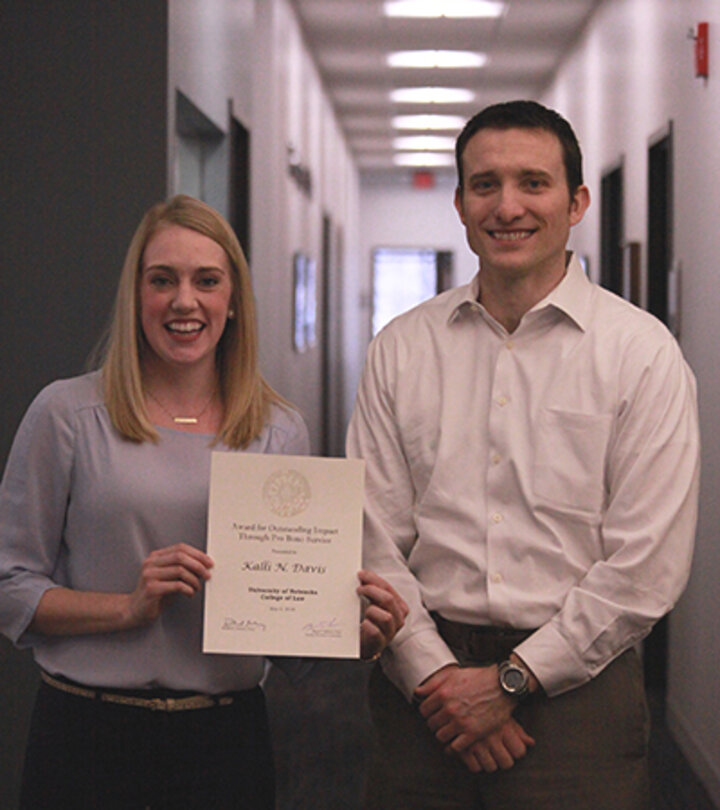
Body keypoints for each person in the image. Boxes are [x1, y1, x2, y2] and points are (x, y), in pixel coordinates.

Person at [0, 194, 408, 809]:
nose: (184, 301)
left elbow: (280, 621)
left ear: (234, 301)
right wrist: (126, 608)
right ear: (136, 296)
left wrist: (352, 636)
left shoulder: (278, 430)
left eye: (206, 281)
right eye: (162, 280)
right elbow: (10, 583)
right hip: (87, 736)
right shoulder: (68, 415)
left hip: (225, 737)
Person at [346, 100, 700, 809]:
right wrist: (437, 678)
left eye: (533, 183)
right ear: (459, 202)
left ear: (576, 202)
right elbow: (372, 536)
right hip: (423, 692)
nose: (507, 206)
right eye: (485, 185)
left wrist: (510, 681)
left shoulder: (641, 354)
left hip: (578, 696)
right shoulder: (402, 348)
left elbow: (644, 568)